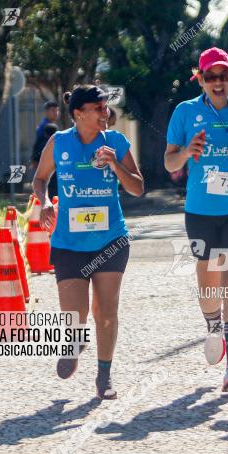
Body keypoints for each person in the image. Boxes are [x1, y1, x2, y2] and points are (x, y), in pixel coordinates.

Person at [163, 47, 228, 394]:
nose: (218, 81)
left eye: (224, 75)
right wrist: (186, 152)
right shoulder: (185, 112)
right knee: (209, 288)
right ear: (201, 79)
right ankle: (213, 325)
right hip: (202, 211)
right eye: (211, 76)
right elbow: (169, 163)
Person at [33, 85, 144, 400]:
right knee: (75, 315)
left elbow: (137, 188)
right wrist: (44, 203)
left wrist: (115, 164)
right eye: (98, 108)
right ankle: (74, 342)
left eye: (106, 107)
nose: (105, 113)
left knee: (106, 311)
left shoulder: (117, 142)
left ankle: (104, 376)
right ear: (79, 114)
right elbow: (40, 178)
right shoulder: (59, 142)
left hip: (111, 241)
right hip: (68, 243)